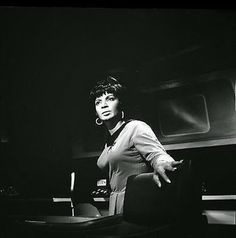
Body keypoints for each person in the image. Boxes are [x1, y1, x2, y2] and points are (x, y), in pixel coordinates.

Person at [89, 76, 182, 215]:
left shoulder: (135, 127)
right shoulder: (109, 139)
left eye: (110, 99)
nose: (103, 105)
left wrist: (162, 162)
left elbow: (157, 154)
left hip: (136, 203)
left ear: (120, 103)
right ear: (95, 111)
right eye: (98, 102)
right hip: (115, 203)